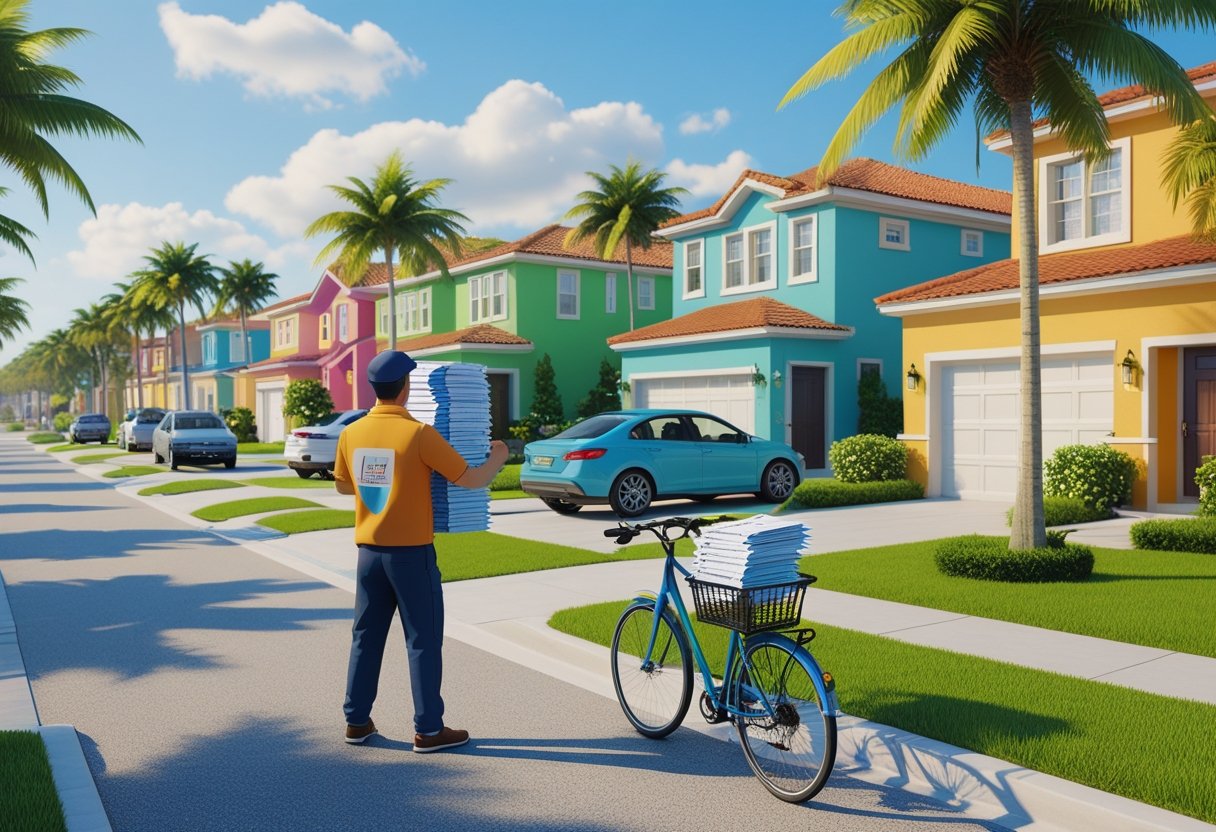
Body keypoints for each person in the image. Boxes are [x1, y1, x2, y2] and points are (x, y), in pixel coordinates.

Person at [333, 349, 508, 752]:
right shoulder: (418, 434)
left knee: (365, 637)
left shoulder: (351, 433)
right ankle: (429, 730)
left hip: (368, 554)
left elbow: (343, 485)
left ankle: (356, 722)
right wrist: (498, 458)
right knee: (423, 640)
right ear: (406, 387)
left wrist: (380, 477)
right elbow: (470, 479)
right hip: (411, 555)